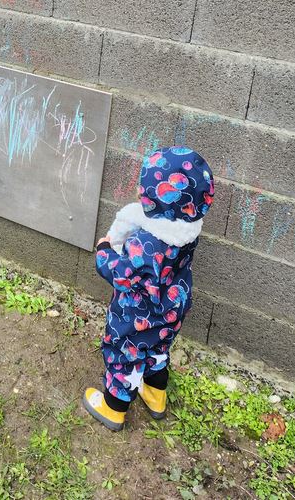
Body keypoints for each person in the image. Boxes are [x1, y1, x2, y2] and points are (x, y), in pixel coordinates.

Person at [83, 146, 214, 431]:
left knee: (125, 355)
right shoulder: (188, 230)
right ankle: (155, 396)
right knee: (157, 351)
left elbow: (122, 274)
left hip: (137, 315)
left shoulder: (147, 242)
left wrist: (105, 249)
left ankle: (113, 408)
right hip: (172, 309)